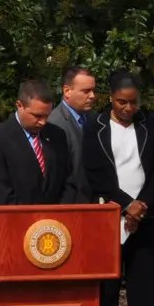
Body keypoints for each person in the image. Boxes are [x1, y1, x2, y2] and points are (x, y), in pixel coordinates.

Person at [86, 70, 154, 306]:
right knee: (105, 292)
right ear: (110, 98)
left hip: (144, 217)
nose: (127, 108)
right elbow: (94, 173)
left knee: (143, 291)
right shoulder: (94, 126)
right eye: (121, 102)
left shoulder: (151, 123)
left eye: (133, 102)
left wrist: (141, 205)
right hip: (108, 216)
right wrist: (125, 205)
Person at [0, 79, 72, 206]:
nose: (43, 122)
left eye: (47, 115)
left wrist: (59, 212)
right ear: (19, 105)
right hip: (15, 220)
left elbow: (68, 180)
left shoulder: (57, 135)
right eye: (37, 116)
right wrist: (29, 219)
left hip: (54, 222)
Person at [47, 64, 98, 202]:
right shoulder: (54, 124)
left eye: (93, 90)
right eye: (86, 91)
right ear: (67, 91)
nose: (92, 96)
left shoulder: (94, 119)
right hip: (70, 207)